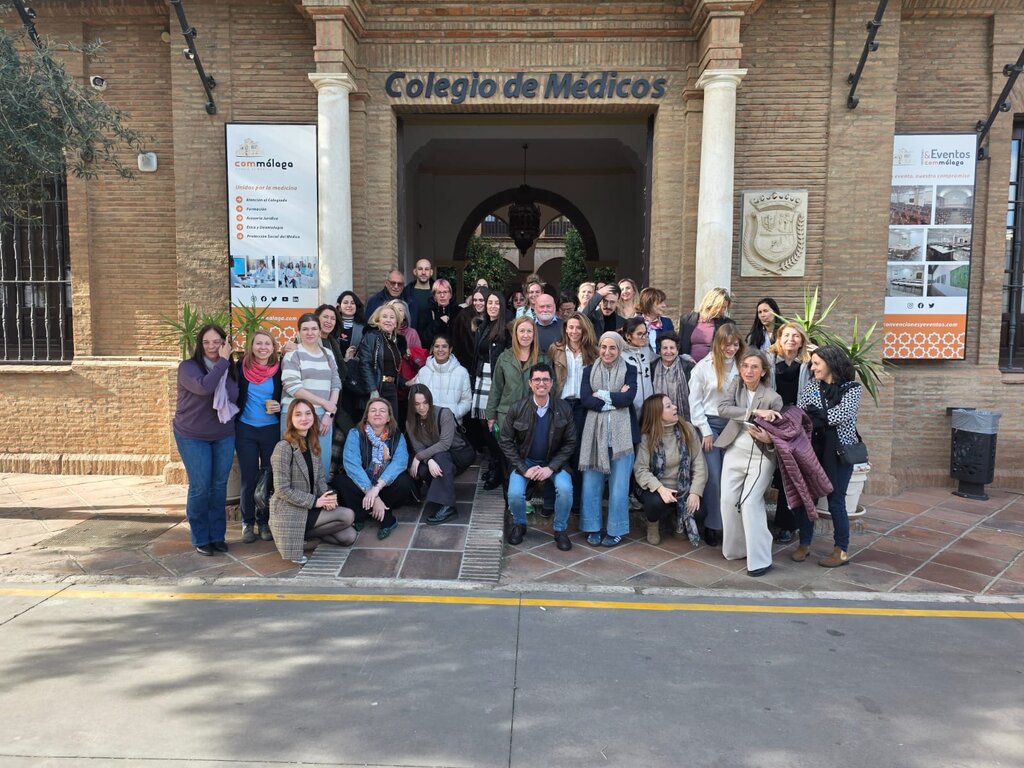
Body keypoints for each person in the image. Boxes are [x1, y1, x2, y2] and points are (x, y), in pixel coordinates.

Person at [714, 349, 783, 577]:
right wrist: (753, 412)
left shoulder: (773, 398)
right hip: (735, 449)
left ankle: (760, 559)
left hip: (761, 455)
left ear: (763, 371)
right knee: (727, 500)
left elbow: (780, 434)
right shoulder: (736, 385)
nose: (748, 371)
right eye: (745, 366)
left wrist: (769, 438)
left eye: (754, 367)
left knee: (750, 502)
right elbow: (722, 409)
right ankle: (737, 549)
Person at [795, 345, 863, 568]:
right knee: (808, 499)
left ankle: (840, 550)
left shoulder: (852, 388)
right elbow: (801, 413)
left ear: (830, 363)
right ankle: (804, 544)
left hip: (839, 453)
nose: (812, 368)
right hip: (814, 450)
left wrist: (818, 416)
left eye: (816, 363)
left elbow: (841, 415)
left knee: (836, 502)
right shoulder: (812, 386)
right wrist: (817, 417)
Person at [173, 324, 238, 556]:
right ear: (200, 345)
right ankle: (201, 537)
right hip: (192, 435)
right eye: (207, 342)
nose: (212, 347)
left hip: (223, 434)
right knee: (201, 487)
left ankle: (217, 536)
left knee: (219, 486)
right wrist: (223, 361)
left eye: (217, 342)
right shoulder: (188, 368)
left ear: (225, 343)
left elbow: (235, 396)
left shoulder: (230, 368)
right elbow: (205, 388)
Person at [499, 363, 577, 550]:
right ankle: (520, 524)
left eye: (545, 379)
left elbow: (570, 443)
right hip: (525, 462)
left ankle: (560, 529)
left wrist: (551, 467)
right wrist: (524, 468)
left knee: (565, 489)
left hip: (554, 463)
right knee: (515, 494)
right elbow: (505, 441)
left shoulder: (564, 408)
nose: (541, 383)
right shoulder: (517, 408)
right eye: (537, 380)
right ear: (530, 383)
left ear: (551, 383)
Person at [270, 399, 356, 566]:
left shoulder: (312, 444)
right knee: (347, 515)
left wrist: (328, 498)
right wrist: (316, 502)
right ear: (291, 420)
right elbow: (281, 489)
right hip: (290, 510)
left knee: (348, 537)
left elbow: (319, 480)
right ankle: (292, 537)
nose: (304, 418)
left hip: (309, 509)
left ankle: (301, 536)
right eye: (298, 414)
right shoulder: (284, 447)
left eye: (308, 413)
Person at [579, 331, 638, 547]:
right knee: (591, 484)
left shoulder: (629, 370)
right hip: (594, 437)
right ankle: (592, 527)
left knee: (619, 487)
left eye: (612, 347)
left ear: (620, 349)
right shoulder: (588, 371)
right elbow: (586, 399)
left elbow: (628, 398)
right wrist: (615, 396)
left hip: (622, 439)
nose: (607, 352)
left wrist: (601, 395)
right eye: (604, 347)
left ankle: (616, 529)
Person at [687, 322, 743, 546]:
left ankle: (733, 525)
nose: (731, 349)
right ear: (718, 344)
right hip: (710, 425)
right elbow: (695, 402)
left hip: (736, 424)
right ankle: (713, 525)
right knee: (714, 478)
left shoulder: (744, 365)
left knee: (733, 477)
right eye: (727, 345)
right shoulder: (703, 367)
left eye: (736, 344)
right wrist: (706, 431)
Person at [332, 397, 418, 540]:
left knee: (404, 481)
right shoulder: (355, 434)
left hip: (383, 487)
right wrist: (373, 495)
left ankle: (361, 513)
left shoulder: (397, 436)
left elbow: (400, 463)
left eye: (382, 411)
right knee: (341, 481)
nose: (377, 413)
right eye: (373, 410)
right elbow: (352, 465)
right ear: (367, 415)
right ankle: (385, 516)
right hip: (362, 487)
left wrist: (376, 489)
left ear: (389, 417)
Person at [634, 394, 707, 546]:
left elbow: (699, 463)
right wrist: (660, 489)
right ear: (657, 414)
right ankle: (652, 523)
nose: (675, 407)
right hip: (658, 489)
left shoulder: (687, 429)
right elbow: (641, 470)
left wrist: (695, 492)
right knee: (655, 504)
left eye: (672, 404)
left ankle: (678, 520)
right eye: (668, 406)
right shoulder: (647, 436)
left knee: (700, 512)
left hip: (683, 489)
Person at [767, 321, 814, 542]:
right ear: (779, 338)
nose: (791, 340)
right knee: (768, 472)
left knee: (790, 473)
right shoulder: (768, 361)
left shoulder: (807, 365)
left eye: (796, 336)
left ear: (802, 340)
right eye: (786, 335)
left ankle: (786, 525)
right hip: (771, 421)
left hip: (795, 424)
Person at [233, 329, 282, 543]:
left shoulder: (280, 370)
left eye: (267, 344)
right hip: (245, 429)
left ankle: (264, 522)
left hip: (271, 430)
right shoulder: (240, 368)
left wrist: (279, 407)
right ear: (251, 346)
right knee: (249, 477)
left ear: (273, 348)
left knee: (268, 476)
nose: (263, 347)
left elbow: (288, 396)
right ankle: (247, 523)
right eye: (258, 343)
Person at [281, 313, 341, 478]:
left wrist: (329, 413)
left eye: (314, 328)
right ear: (299, 332)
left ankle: (321, 500)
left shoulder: (328, 354)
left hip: (323, 415)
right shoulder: (293, 353)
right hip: (294, 414)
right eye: (305, 329)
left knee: (322, 459)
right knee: (294, 460)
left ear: (319, 330)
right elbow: (292, 386)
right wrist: (324, 402)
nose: (310, 332)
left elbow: (336, 383)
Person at [549, 312, 598, 511]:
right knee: (557, 449)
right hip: (562, 404)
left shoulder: (593, 351)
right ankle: (552, 500)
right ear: (565, 329)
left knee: (579, 453)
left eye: (578, 327)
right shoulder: (556, 349)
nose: (574, 331)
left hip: (583, 405)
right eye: (571, 327)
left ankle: (576, 502)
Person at [406, 384, 475, 525]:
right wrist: (428, 460)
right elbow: (418, 447)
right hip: (437, 457)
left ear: (430, 401)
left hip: (458, 455)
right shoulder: (410, 422)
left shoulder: (444, 413)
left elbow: (445, 444)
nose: (421, 407)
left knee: (440, 455)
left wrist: (420, 457)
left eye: (425, 403)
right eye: (417, 404)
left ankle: (448, 507)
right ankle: (441, 493)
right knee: (422, 468)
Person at [472, 291, 511, 490]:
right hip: (482, 377)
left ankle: (499, 467)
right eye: (490, 303)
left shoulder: (507, 328)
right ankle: (495, 461)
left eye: (496, 303)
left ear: (502, 306)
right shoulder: (482, 327)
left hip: (496, 379)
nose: (492, 306)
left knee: (492, 422)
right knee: (482, 421)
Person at [355, 303, 406, 418]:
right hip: (377, 388)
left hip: (391, 389)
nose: (388, 320)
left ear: (396, 323)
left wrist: (404, 382)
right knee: (375, 427)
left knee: (392, 427)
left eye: (392, 317)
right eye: (384, 316)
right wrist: (372, 389)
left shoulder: (395, 342)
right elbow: (365, 364)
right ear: (378, 320)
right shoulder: (372, 336)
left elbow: (391, 369)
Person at [411, 333, 472, 424]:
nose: (440, 350)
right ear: (432, 349)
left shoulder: (462, 372)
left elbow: (466, 401)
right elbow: (414, 398)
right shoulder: (423, 372)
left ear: (450, 349)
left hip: (452, 425)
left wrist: (453, 414)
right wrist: (425, 415)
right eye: (437, 346)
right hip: (427, 424)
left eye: (444, 346)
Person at [678, 287, 733, 363]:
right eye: (721, 307)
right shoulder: (687, 320)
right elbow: (679, 345)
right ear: (710, 304)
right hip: (688, 366)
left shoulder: (726, 324)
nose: (723, 311)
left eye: (725, 308)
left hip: (712, 367)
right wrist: (685, 358)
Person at [336, 290, 367, 423]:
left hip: (356, 378)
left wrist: (352, 359)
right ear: (339, 306)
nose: (349, 305)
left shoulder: (363, 327)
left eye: (352, 303)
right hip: (338, 376)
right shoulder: (333, 326)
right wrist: (345, 360)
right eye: (345, 302)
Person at [620, 317, 656, 420]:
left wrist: (682, 357)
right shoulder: (620, 355)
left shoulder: (646, 350)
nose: (644, 337)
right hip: (630, 407)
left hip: (649, 408)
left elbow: (662, 358)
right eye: (639, 334)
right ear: (628, 336)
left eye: (645, 333)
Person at [651, 331, 691, 422]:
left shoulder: (688, 367)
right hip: (658, 420)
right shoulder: (652, 368)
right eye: (665, 348)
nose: (668, 351)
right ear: (659, 350)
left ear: (677, 350)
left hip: (685, 419)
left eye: (672, 348)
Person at [420, 277, 460, 348]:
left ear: (450, 295)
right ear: (434, 296)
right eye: (439, 292)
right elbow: (424, 340)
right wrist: (438, 321)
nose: (442, 295)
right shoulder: (426, 313)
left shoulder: (459, 312)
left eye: (445, 292)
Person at [452, 287, 485, 371]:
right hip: (466, 363)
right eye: (475, 300)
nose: (477, 303)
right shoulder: (464, 315)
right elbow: (457, 342)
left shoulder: (492, 315)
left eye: (481, 300)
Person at [637, 287, 675, 354]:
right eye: (660, 302)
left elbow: (673, 344)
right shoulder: (635, 322)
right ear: (648, 303)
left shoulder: (666, 322)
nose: (664, 305)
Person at [406, 258, 435, 324]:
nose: (423, 272)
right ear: (415, 272)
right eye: (420, 269)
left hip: (433, 333)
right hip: (411, 333)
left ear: (431, 272)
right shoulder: (406, 293)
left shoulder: (438, 293)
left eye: (427, 269)